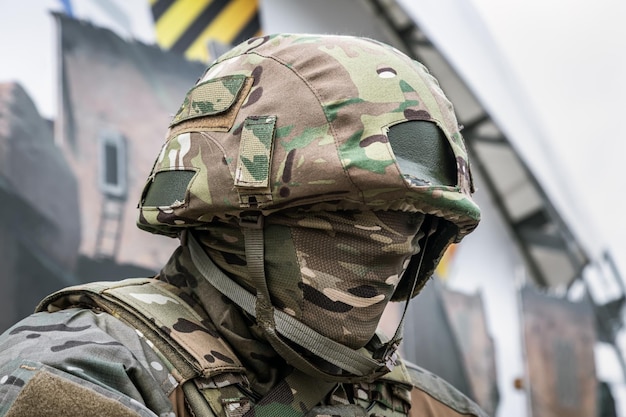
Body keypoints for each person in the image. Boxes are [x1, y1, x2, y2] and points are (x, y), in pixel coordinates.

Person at [0, 33, 485, 417]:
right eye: (343, 212)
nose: (393, 246)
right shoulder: (85, 369)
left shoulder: (428, 404)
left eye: (414, 222)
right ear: (231, 210)